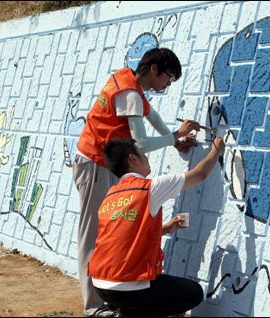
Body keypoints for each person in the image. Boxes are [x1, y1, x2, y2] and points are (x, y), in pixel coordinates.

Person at [73, 48, 201, 317]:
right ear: (154, 69)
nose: (169, 83)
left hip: (105, 163)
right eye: (169, 76)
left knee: (108, 231)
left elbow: (152, 118)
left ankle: (112, 297)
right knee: (92, 234)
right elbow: (141, 142)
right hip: (95, 162)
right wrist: (174, 136)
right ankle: (95, 307)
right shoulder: (131, 93)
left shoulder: (130, 82)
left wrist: (174, 139)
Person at [89, 136, 226, 317]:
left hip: (99, 284)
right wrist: (216, 150)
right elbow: (200, 174)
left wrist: (165, 229)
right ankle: (127, 315)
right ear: (133, 159)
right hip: (128, 286)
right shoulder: (150, 188)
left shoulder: (111, 195)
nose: (147, 158)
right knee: (193, 294)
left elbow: (126, 235)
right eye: (143, 154)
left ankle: (122, 311)